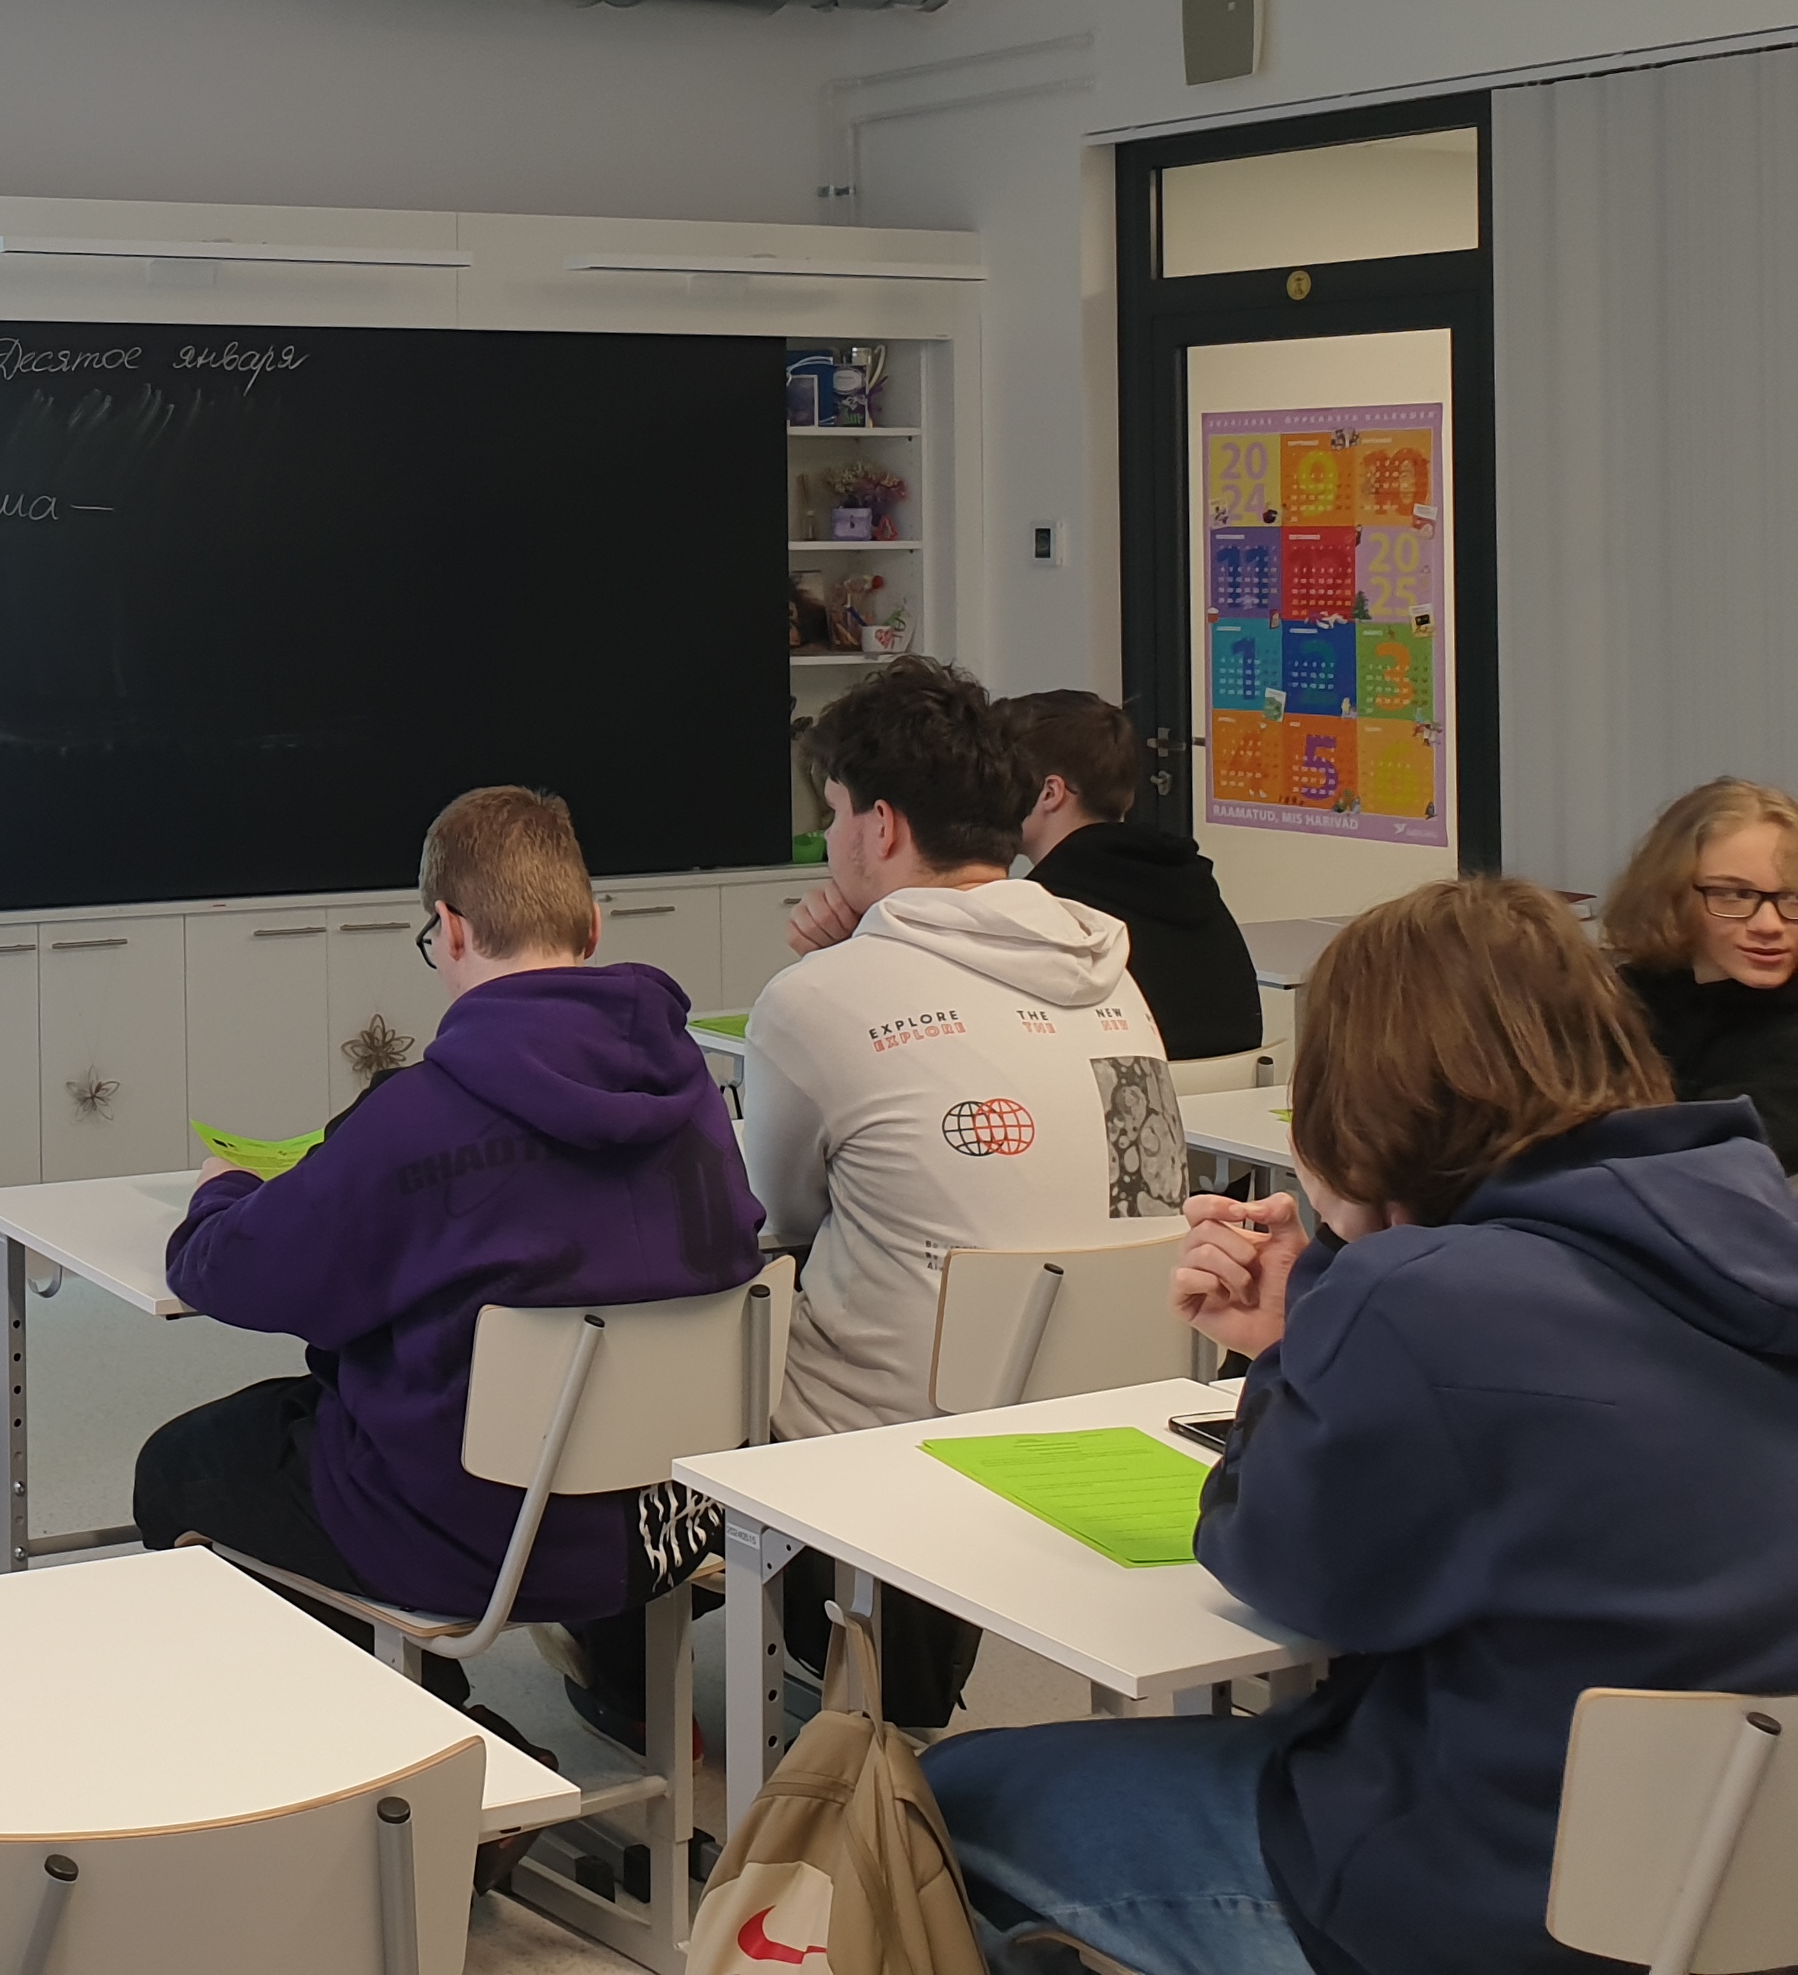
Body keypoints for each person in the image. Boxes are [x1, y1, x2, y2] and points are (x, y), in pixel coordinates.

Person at [924, 877, 1798, 1975]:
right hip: (1743, 1885)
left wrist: (1311, 1324)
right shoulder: (1747, 1231)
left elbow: (1279, 1565)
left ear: (1359, 1087)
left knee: (938, 1801)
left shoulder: (1424, 1297)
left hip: (1496, 1899)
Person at [132, 787, 762, 1723]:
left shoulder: (418, 1116)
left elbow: (228, 1272)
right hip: (666, 1525)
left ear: (452, 929)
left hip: (472, 1537)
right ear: (593, 926)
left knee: (180, 1468)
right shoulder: (700, 1101)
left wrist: (221, 1192)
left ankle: (432, 1734)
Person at [745, 658, 1180, 1730]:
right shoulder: (1109, 970)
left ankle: (748, 1681)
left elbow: (773, 1218)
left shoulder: (815, 1000)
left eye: (834, 813)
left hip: (901, 1443)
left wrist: (848, 968)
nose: (831, 837)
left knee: (721, 1321)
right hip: (1112, 1410)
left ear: (881, 826)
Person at [1000, 688, 1265, 1061]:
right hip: (1231, 1094)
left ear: (1050, 793)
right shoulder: (1188, 881)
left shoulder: (1049, 910)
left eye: (997, 781)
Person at [1600, 774, 1798, 1168]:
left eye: (1792, 897)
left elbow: (1717, 1151)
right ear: (1672, 895)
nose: (1769, 924)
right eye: (1735, 894)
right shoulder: (1619, 999)